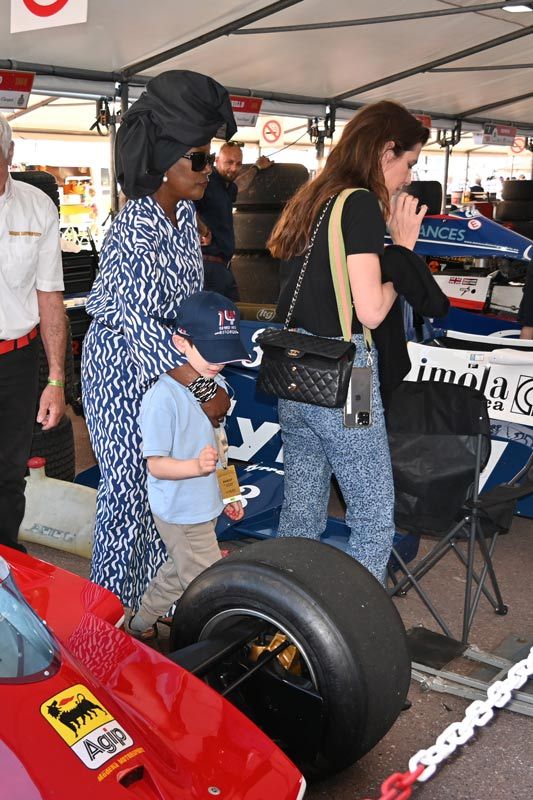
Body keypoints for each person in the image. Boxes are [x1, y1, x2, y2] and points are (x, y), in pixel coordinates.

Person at [81, 70, 237, 609]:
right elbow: (141, 326)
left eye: (209, 157)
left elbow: (187, 312)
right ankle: (102, 627)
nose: (208, 169)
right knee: (128, 495)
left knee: (165, 498)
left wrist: (207, 371)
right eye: (197, 158)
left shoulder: (186, 216)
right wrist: (200, 389)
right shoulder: (134, 228)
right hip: (120, 368)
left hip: (171, 371)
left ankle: (144, 612)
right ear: (163, 164)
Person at [268, 100, 430, 583]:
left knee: (300, 515)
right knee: (374, 515)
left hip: (293, 372)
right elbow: (372, 310)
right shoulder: (358, 203)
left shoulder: (312, 197)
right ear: (386, 152)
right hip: (347, 376)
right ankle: (357, 631)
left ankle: (283, 621)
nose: (406, 178)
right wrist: (402, 250)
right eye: (408, 163)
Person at [127, 291, 249, 640]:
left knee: (178, 572)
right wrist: (196, 467)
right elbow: (157, 466)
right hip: (181, 512)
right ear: (181, 342)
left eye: (225, 356)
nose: (218, 363)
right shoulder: (162, 399)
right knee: (210, 581)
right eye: (211, 353)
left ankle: (139, 623)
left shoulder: (217, 388)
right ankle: (223, 638)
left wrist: (230, 495)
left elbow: (221, 450)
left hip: (205, 505)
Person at [0, 114, 66, 552]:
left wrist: (56, 380)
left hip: (16, 362)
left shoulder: (37, 206)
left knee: (9, 473)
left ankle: (5, 564)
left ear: (8, 155)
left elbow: (49, 298)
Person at [195, 141, 272, 299]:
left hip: (224, 267)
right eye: (229, 162)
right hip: (206, 265)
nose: (234, 168)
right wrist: (203, 230)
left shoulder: (227, 186)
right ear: (216, 160)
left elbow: (239, 184)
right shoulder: (206, 182)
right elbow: (184, 204)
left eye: (238, 164)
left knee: (236, 313)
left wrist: (256, 168)